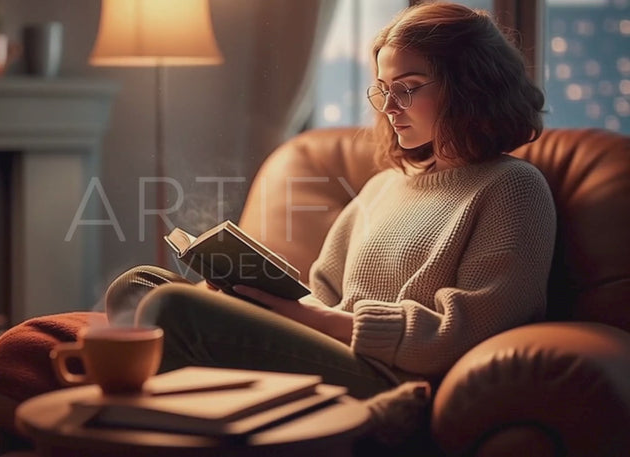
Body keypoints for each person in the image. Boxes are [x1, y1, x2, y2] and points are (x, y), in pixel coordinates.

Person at [104, 1, 555, 399]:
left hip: (388, 376)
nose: (389, 105)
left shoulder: (513, 187)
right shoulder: (384, 186)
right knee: (138, 285)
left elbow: (465, 331)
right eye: (383, 88)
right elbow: (324, 294)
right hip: (328, 343)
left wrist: (315, 320)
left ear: (470, 85)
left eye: (409, 86)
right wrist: (248, 300)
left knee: (172, 309)